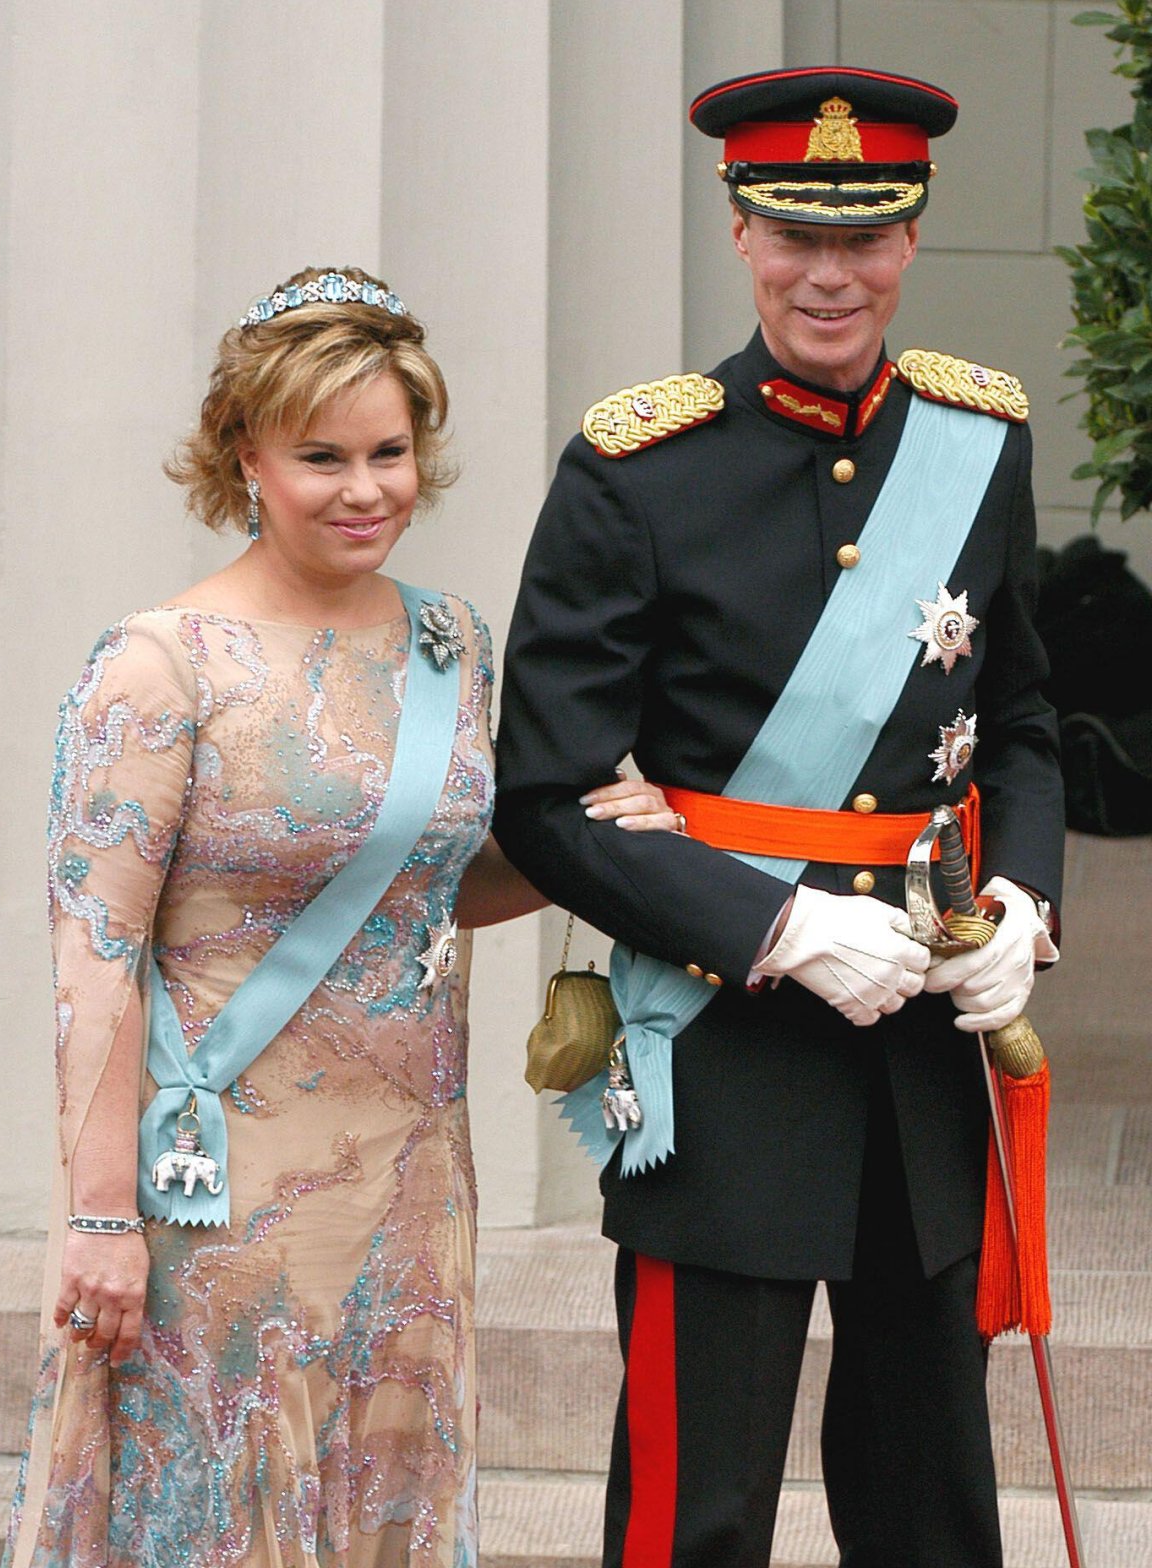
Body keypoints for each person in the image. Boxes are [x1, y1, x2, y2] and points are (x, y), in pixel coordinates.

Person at [3, 265, 676, 1568]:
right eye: (323, 455)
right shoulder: (158, 665)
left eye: (391, 451)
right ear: (243, 453)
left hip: (413, 1187)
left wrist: (584, 855)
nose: (366, 489)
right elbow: (94, 964)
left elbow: (435, 887)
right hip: (214, 1202)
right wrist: (96, 1221)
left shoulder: (450, 644)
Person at [493, 69, 1064, 1568]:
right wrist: (780, 924)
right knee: (704, 1505)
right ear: (741, 231)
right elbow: (547, 796)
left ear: (912, 241)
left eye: (866, 240)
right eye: (795, 235)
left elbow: (1021, 726)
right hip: (724, 1052)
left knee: (934, 1493)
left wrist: (1020, 907)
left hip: (929, 1047)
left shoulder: (980, 439)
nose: (832, 274)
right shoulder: (638, 468)